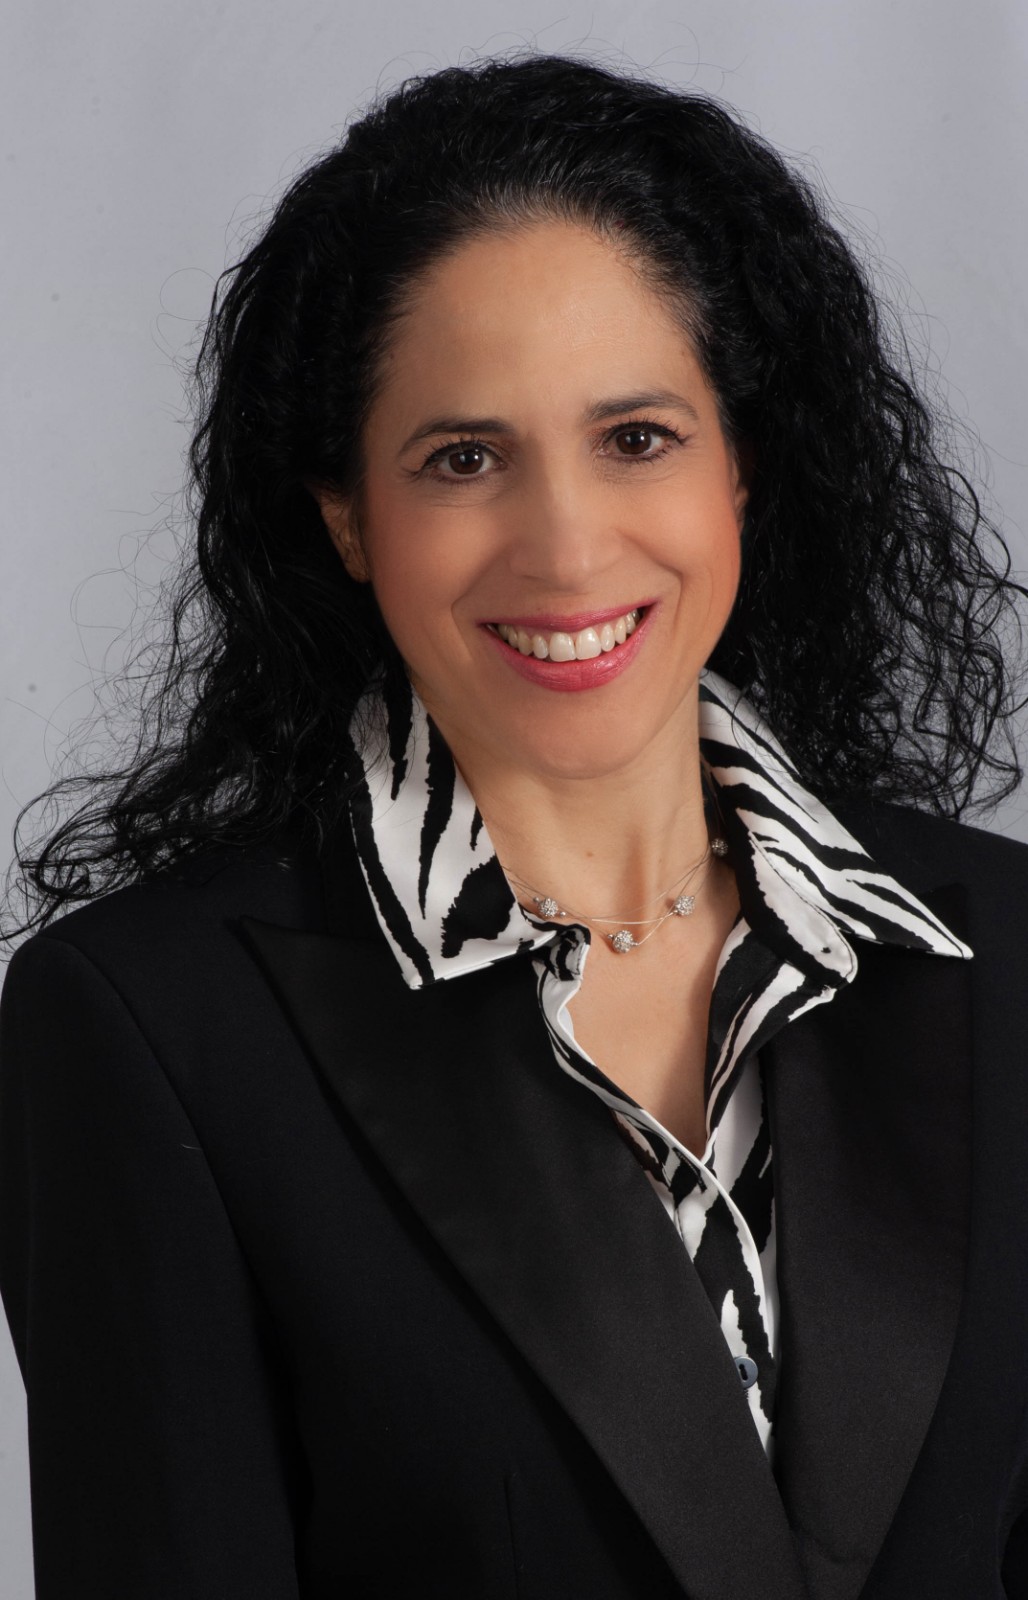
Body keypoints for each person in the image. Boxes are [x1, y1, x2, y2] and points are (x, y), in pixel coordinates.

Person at [1, 51, 1027, 1600]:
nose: (566, 547)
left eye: (638, 438)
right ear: (347, 514)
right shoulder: (150, 1028)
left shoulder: (1009, 944)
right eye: (464, 459)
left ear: (742, 466)